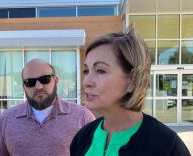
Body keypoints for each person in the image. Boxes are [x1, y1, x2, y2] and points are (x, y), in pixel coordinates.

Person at [70, 26, 191, 156]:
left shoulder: (166, 146)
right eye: (86, 71)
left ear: (133, 80)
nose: (86, 82)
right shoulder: (81, 137)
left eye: (100, 70)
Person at [0, 59, 95, 156]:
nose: (38, 86)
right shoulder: (8, 118)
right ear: (24, 87)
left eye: (45, 79)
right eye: (30, 82)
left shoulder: (82, 116)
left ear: (55, 80)